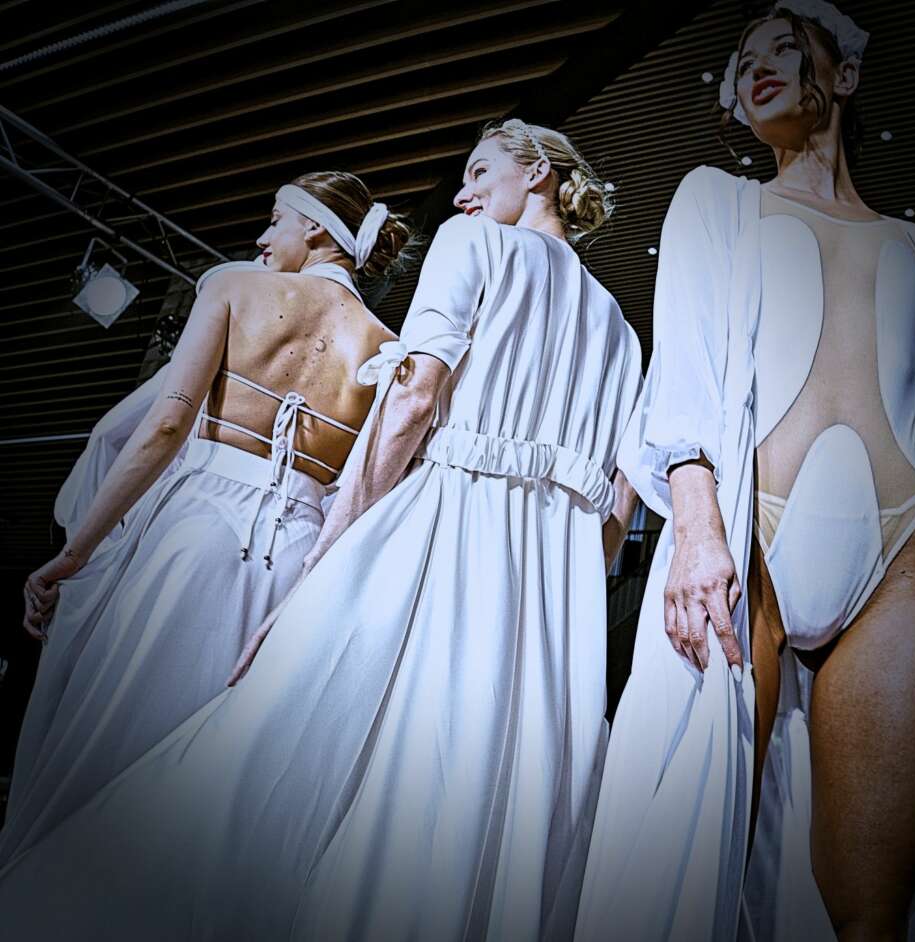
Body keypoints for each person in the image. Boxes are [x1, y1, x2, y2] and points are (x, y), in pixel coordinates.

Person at [0, 118, 642, 942]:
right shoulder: (621, 330)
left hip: (440, 534)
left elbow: (411, 402)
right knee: (478, 799)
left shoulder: (474, 244)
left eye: (480, 172)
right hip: (548, 600)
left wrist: (328, 561)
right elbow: (619, 507)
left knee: (287, 756)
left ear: (540, 171)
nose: (463, 194)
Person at [575, 4, 915, 941]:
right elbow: (684, 374)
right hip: (749, 543)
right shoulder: (716, 201)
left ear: (843, 75)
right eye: (743, 62)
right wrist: (695, 531)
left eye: (784, 46)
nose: (758, 66)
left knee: (872, 916)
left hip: (907, 558)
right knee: (688, 873)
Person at [3, 170, 412, 867]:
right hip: (296, 564)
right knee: (213, 774)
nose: (263, 236)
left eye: (276, 218)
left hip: (196, 528)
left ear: (315, 227)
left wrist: (76, 553)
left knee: (113, 747)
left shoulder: (233, 286)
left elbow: (166, 426)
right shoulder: (387, 349)